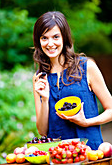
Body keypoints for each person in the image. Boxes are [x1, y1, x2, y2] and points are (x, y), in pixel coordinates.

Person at [32, 11, 112, 150]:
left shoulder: (86, 67)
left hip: (89, 153)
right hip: (58, 155)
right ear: (39, 41)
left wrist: (86, 122)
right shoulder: (40, 77)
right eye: (44, 38)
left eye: (56, 37)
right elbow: (43, 131)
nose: (50, 43)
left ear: (64, 38)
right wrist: (44, 99)